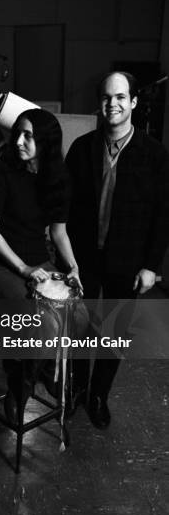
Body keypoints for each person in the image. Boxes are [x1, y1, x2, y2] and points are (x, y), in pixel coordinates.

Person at [65, 71, 169, 428]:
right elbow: (64, 205)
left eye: (121, 97)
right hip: (84, 258)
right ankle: (78, 388)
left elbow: (162, 215)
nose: (114, 104)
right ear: (100, 102)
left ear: (134, 102)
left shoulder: (155, 155)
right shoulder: (81, 149)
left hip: (128, 260)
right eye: (108, 97)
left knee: (114, 330)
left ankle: (98, 395)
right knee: (81, 325)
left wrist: (151, 266)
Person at [0, 109, 82, 420]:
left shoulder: (58, 178)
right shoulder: (2, 171)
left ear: (46, 142)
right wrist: (23, 269)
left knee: (78, 313)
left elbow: (58, 232)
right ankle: (21, 387)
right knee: (36, 321)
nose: (19, 141)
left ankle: (40, 368)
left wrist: (73, 267)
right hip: (0, 262)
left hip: (39, 259)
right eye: (18, 134)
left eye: (29, 136)